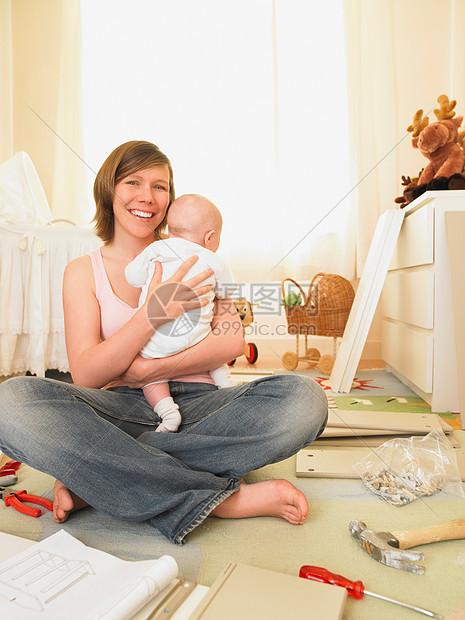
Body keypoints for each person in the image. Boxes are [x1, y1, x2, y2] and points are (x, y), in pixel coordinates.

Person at [0, 140, 328, 545]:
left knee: (305, 399)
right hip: (119, 410)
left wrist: (150, 370)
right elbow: (86, 374)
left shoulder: (196, 256)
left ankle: (105, 477)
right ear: (109, 190)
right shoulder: (82, 271)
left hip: (203, 406)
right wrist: (152, 313)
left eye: (160, 186)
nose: (147, 197)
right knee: (11, 402)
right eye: (133, 182)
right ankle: (222, 499)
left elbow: (232, 342)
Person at [125, 193, 235, 432]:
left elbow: (132, 277)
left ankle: (167, 413)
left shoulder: (155, 249)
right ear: (210, 237)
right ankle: (227, 388)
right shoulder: (212, 259)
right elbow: (227, 291)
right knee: (216, 360)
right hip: (199, 343)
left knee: (152, 377)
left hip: (155, 344)